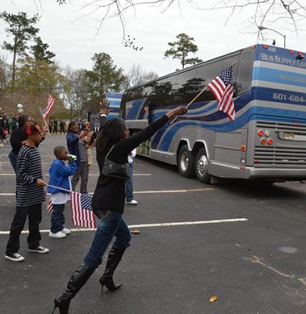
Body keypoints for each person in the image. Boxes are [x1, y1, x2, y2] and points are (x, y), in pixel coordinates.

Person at [52, 100, 188, 314]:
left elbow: (104, 126)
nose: (128, 131)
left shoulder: (103, 145)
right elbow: (148, 132)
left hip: (100, 203)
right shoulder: (120, 147)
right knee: (94, 256)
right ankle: (65, 297)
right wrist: (170, 113)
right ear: (120, 133)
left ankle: (106, 277)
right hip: (110, 208)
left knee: (124, 238)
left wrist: (104, 114)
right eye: (125, 128)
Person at [5, 124, 49, 262]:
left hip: (35, 193)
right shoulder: (24, 151)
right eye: (38, 133)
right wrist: (35, 180)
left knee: (35, 220)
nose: (40, 135)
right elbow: (20, 174)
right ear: (30, 135)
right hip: (25, 194)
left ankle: (34, 244)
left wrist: (39, 186)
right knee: (18, 223)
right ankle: (11, 251)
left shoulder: (34, 148)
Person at [47, 146, 78, 239]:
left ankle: (60, 227)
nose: (67, 154)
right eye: (65, 153)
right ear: (59, 154)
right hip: (58, 190)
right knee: (57, 211)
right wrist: (72, 162)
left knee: (61, 210)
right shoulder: (57, 164)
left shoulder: (59, 162)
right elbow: (69, 172)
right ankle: (54, 230)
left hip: (61, 189)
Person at [66, 121, 89, 193]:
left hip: (84, 158)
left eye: (77, 125)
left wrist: (88, 141)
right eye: (75, 125)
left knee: (85, 178)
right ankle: (71, 193)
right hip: (76, 159)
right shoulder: (69, 135)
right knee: (75, 177)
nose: (77, 126)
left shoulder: (79, 134)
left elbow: (85, 145)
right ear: (70, 127)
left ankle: (84, 192)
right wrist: (80, 137)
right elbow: (71, 142)